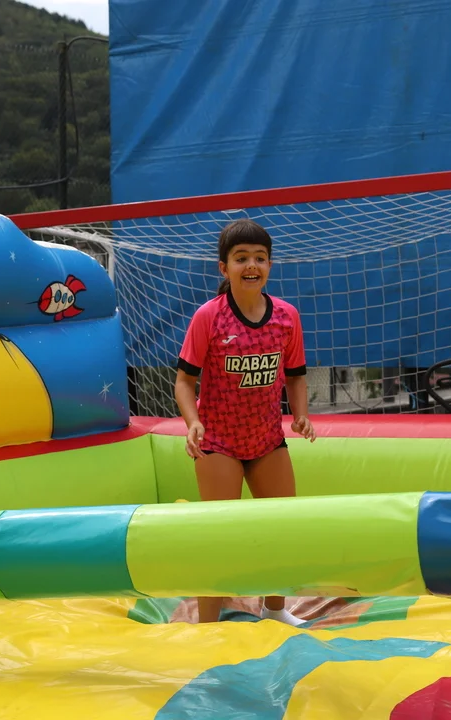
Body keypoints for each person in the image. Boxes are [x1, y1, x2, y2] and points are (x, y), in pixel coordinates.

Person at [173, 218, 316, 626]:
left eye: (259, 258)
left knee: (282, 526)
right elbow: (184, 382)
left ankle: (275, 609)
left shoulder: (286, 317)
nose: (251, 265)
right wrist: (193, 422)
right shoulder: (209, 317)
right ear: (224, 267)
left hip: (266, 439)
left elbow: (296, 375)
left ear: (269, 265)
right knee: (219, 535)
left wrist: (300, 414)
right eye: (241, 258)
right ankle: (208, 624)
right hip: (218, 442)